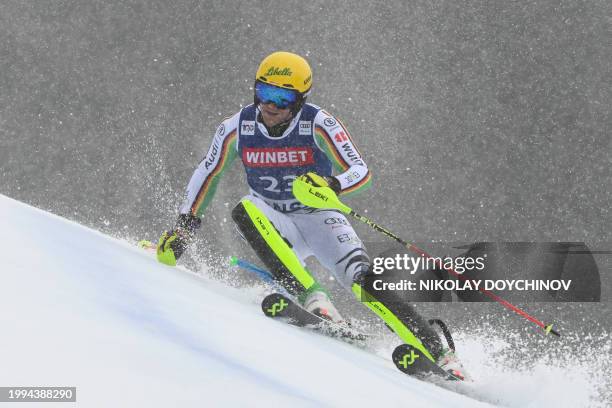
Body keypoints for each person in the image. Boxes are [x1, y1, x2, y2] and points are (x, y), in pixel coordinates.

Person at [156, 51, 466, 378]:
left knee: (364, 281)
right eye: (264, 92)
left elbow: (360, 171)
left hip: (321, 218)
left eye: (283, 97)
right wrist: (184, 228)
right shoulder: (238, 126)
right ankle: (312, 296)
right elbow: (209, 172)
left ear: (300, 99)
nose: (271, 105)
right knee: (244, 209)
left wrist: (333, 183)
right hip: (272, 216)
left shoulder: (318, 123)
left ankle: (438, 352)